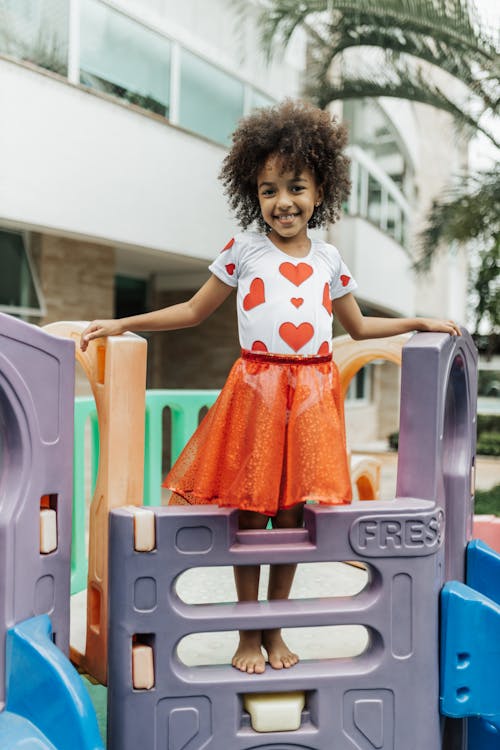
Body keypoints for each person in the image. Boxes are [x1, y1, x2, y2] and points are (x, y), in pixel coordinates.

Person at [80, 99, 461, 675]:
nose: (282, 201)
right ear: (252, 194)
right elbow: (190, 309)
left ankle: (274, 629)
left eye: (296, 187)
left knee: (291, 519)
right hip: (257, 392)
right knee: (250, 519)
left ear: (320, 191)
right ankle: (245, 634)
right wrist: (124, 321)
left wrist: (416, 321)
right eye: (267, 190)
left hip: (309, 396)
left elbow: (356, 327)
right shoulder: (244, 249)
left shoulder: (330, 258)